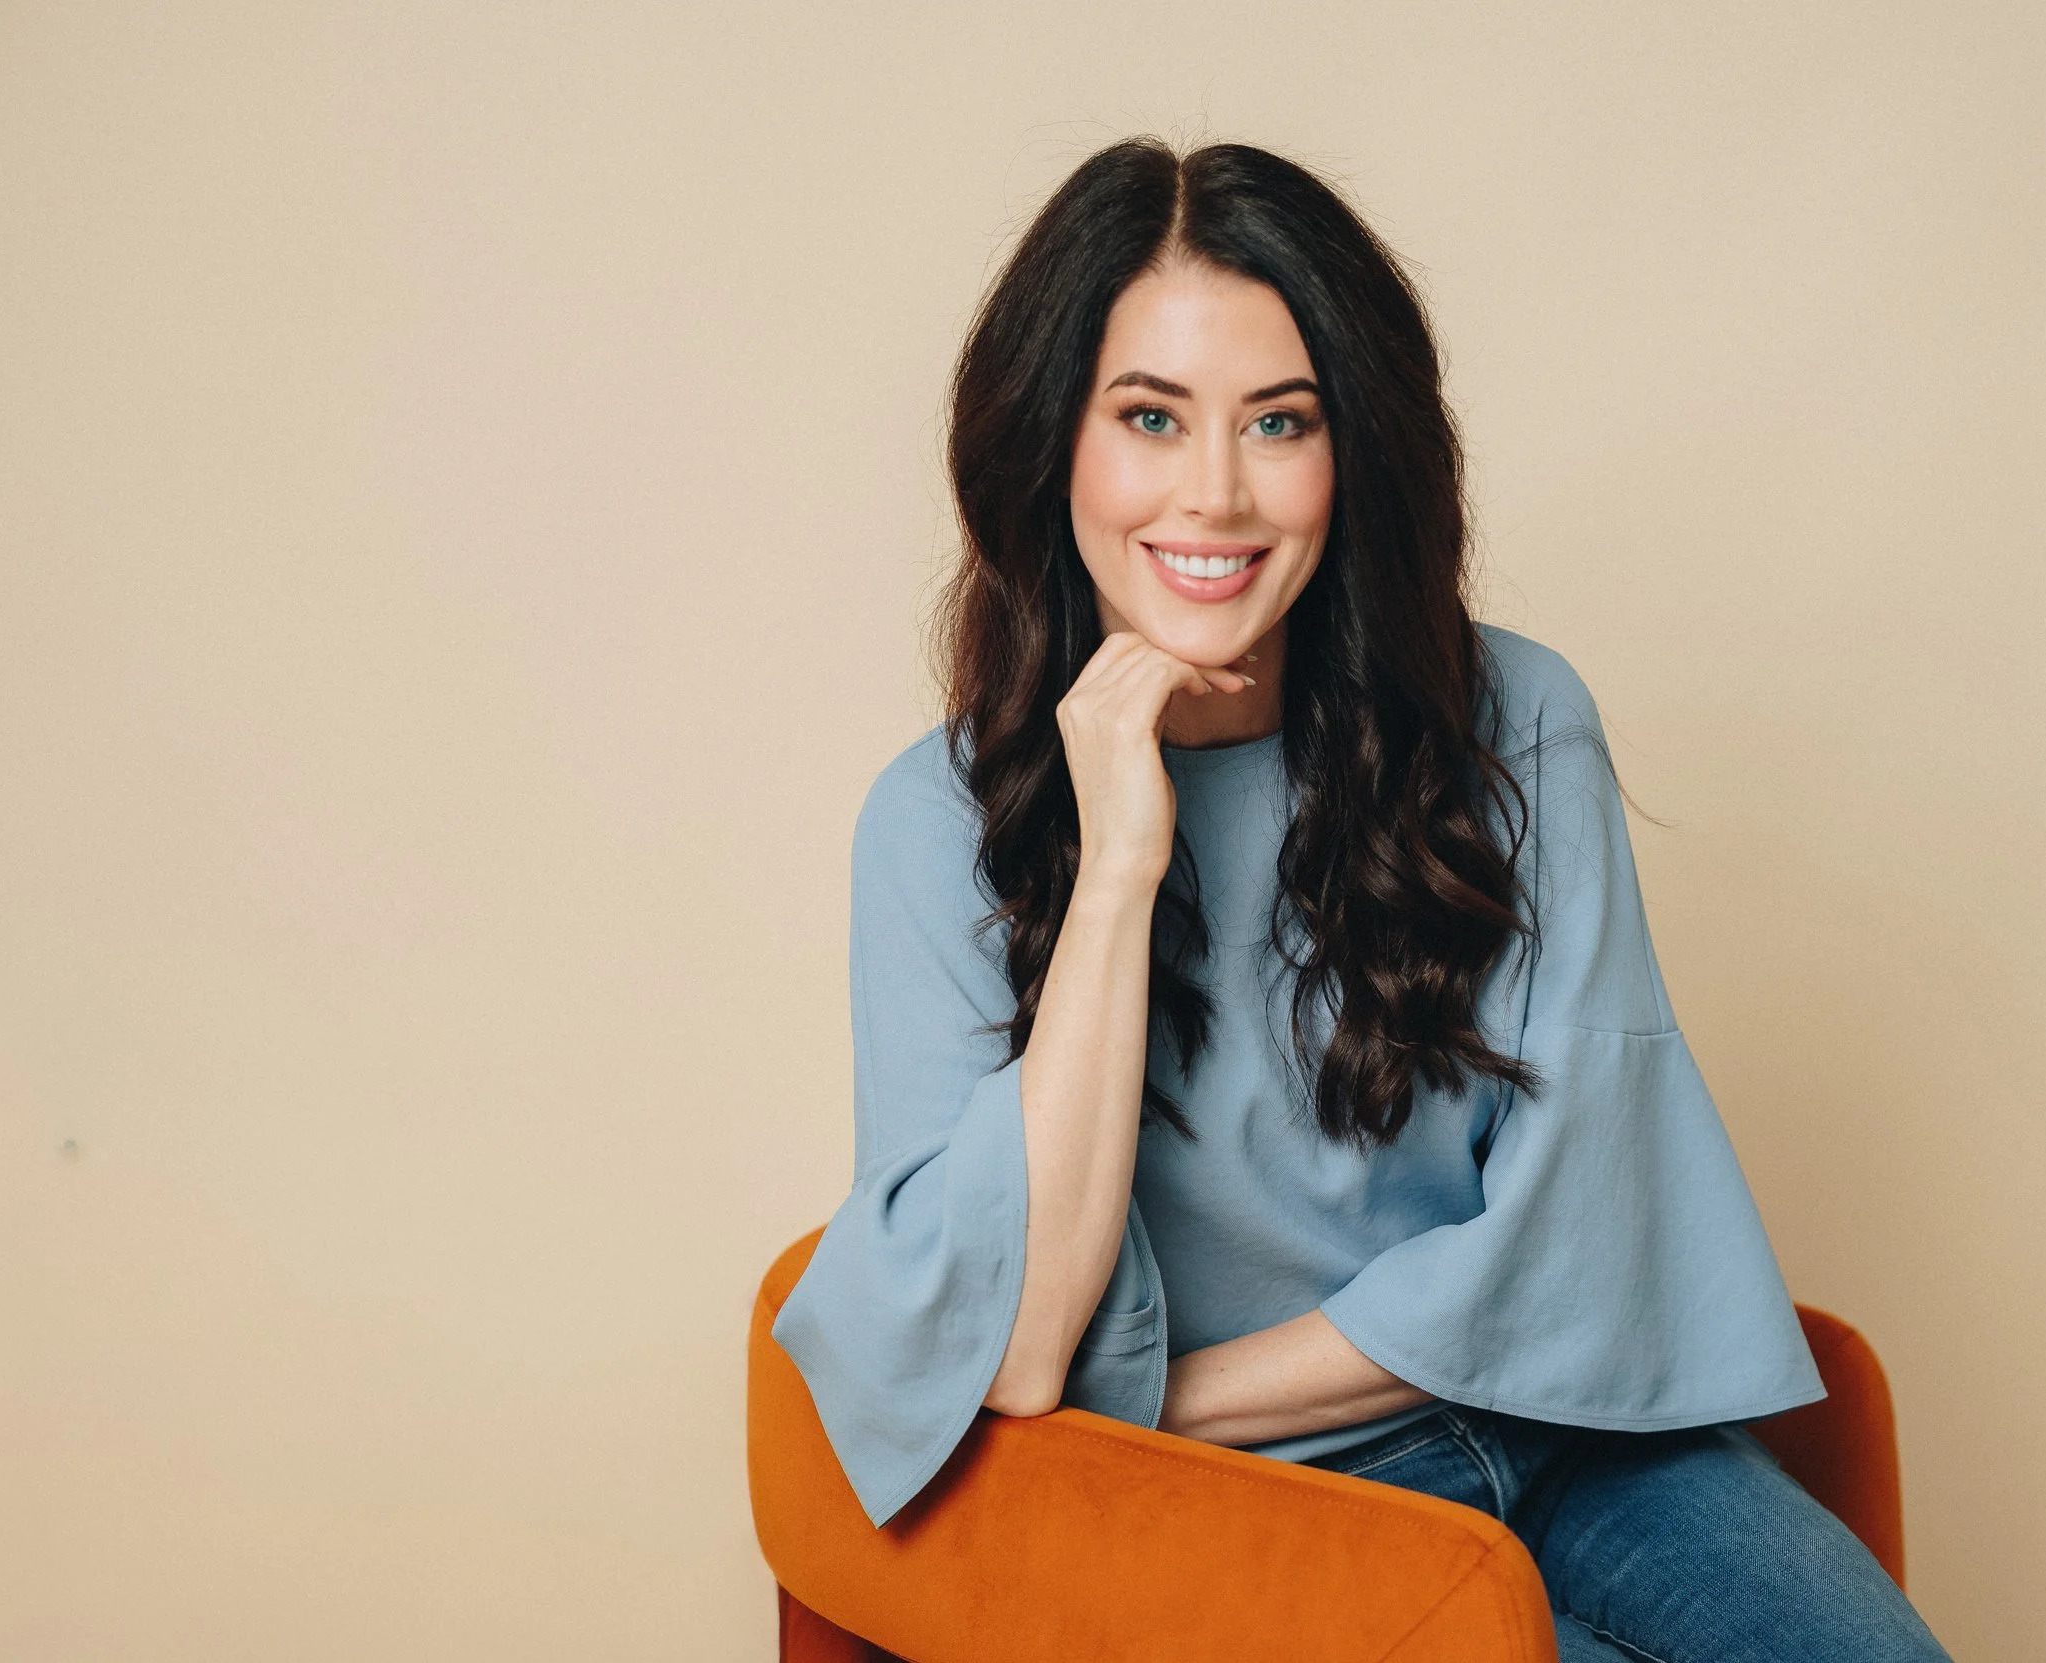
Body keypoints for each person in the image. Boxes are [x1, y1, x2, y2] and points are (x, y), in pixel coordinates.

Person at [773, 137, 1951, 1661]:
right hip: (1241, 1509)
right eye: (1150, 417)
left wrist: (1149, 1398)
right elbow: (1004, 1339)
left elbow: (1579, 1235)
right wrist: (1122, 859)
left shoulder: (1515, 725)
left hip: (1571, 1433)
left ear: (1356, 452)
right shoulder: (933, 826)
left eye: (1281, 422)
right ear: (1052, 441)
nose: (1215, 492)